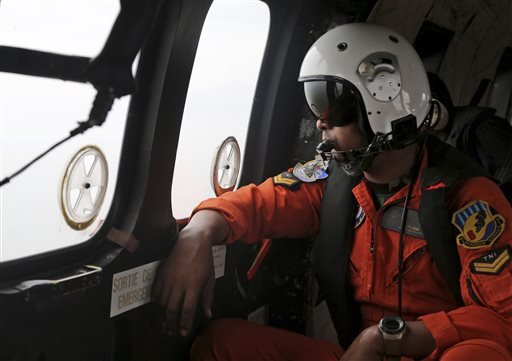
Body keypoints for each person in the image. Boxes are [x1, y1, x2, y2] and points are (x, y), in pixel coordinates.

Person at [152, 23, 512, 361]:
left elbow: (503, 320)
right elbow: (262, 203)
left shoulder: (469, 199)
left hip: (430, 353)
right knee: (222, 344)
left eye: (335, 103)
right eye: (315, 102)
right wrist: (199, 232)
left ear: (383, 104)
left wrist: (387, 337)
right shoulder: (335, 181)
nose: (321, 119)